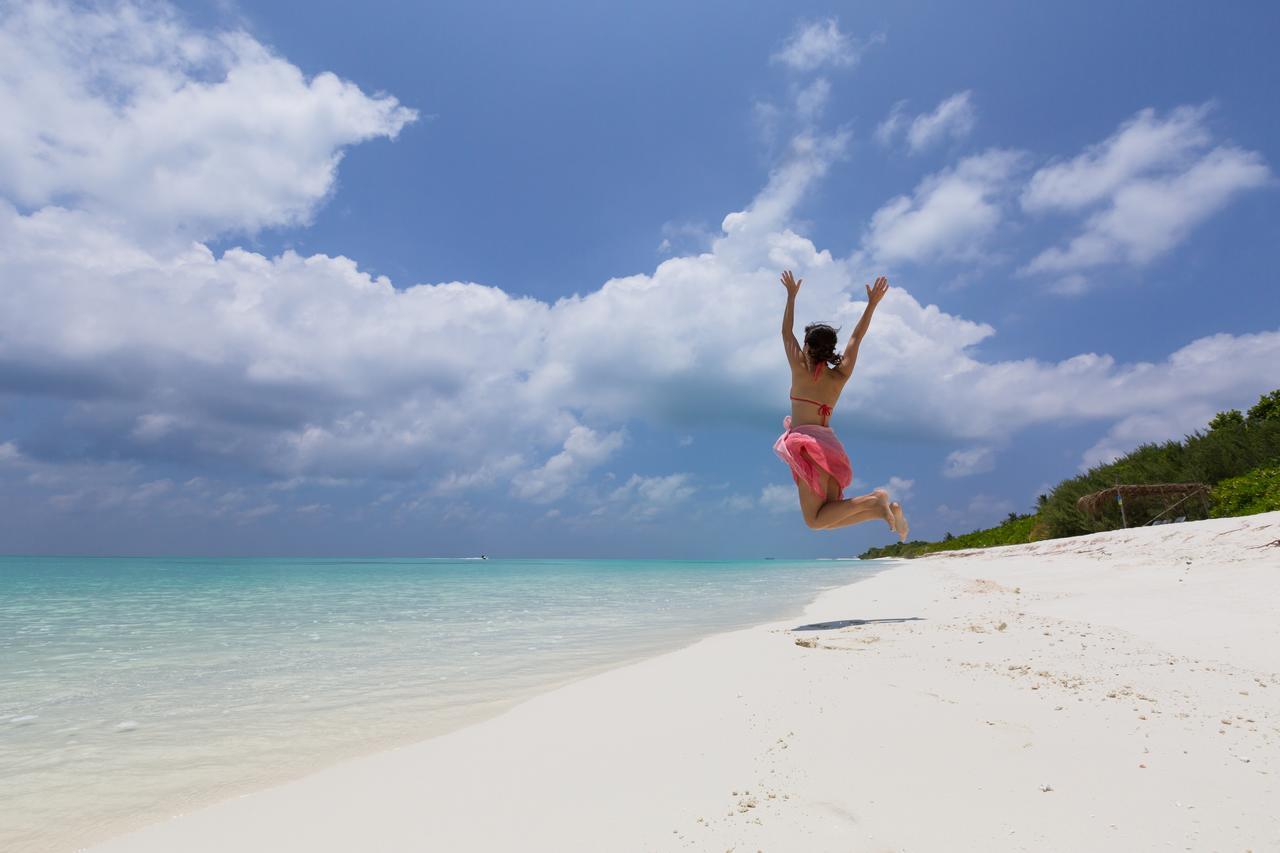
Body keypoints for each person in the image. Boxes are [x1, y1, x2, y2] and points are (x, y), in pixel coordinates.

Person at [774, 270, 908, 540]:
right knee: (829, 518)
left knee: (813, 521)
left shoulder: (801, 370)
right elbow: (856, 338)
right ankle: (882, 511)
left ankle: (875, 500)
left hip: (807, 446)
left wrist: (790, 296)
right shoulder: (840, 375)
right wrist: (871, 305)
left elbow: (786, 332)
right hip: (829, 446)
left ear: (808, 347)